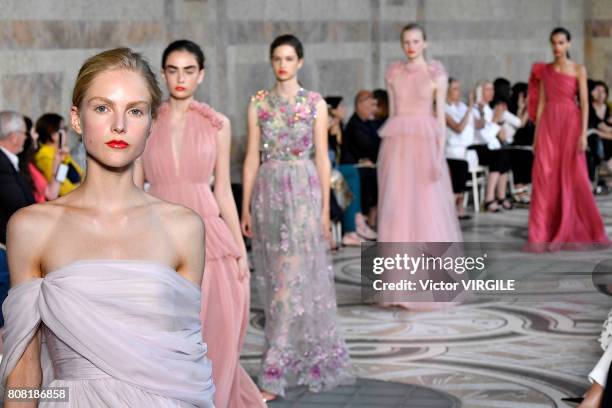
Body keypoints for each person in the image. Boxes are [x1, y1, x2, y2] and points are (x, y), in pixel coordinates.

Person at [0, 48, 215, 407]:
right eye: (102, 108)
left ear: (150, 124)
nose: (119, 125)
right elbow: (22, 373)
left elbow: (185, 369)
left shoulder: (184, 227)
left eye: (135, 110)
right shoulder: (31, 227)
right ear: (77, 119)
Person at [134, 39, 262, 408]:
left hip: (210, 234)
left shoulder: (217, 124)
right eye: (173, 70)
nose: (180, 78)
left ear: (201, 75)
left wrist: (240, 250)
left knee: (214, 332)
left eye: (189, 70)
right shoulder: (146, 120)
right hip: (158, 233)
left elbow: (223, 190)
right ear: (162, 74)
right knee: (166, 334)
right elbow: (135, 184)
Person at [242, 34, 354, 402]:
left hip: (304, 193)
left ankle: (273, 371)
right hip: (269, 193)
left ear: (300, 62)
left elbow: (323, 158)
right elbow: (251, 159)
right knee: (276, 278)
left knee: (287, 283)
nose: (282, 64)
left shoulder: (315, 104)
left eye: (289, 58)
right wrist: (245, 206)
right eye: (276, 58)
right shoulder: (258, 103)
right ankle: (304, 361)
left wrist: (324, 210)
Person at [526, 27, 609, 251]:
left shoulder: (578, 70)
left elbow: (583, 103)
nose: (557, 47)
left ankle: (580, 227)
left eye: (561, 43)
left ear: (569, 44)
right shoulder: (545, 71)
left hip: (571, 125)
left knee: (574, 177)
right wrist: (536, 137)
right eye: (554, 43)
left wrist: (583, 134)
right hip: (549, 126)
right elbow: (542, 104)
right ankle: (542, 232)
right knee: (545, 177)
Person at [378, 23, 461, 242]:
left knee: (427, 201)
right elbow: (393, 113)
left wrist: (438, 154)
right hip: (397, 145)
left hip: (425, 144)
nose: (411, 46)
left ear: (425, 43)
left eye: (415, 41)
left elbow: (441, 118)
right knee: (398, 203)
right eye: (406, 42)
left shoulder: (436, 74)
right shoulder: (394, 73)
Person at [0, 111, 34, 327]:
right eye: (24, 133)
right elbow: (20, 204)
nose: (27, 138)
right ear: (13, 136)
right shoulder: (2, 164)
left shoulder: (9, 162)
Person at [341, 90, 380, 226]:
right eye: (370, 105)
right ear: (359, 105)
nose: (373, 109)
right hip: (354, 165)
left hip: (366, 163)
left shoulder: (369, 124)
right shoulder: (354, 125)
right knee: (370, 175)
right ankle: (366, 217)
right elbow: (369, 148)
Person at [445, 77, 478, 219]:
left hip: (464, 151)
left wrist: (476, 110)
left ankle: (459, 206)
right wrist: (470, 108)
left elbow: (479, 124)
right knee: (460, 168)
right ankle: (452, 208)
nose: (458, 92)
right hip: (450, 152)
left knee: (464, 169)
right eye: (455, 89)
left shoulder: (461, 107)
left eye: (459, 88)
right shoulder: (442, 108)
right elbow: (458, 128)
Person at [34, 113, 84, 196]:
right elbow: (64, 190)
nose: (66, 133)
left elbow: (82, 174)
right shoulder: (45, 156)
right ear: (53, 134)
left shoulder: (59, 152)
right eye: (64, 129)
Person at [18, 117, 61, 203]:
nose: (37, 135)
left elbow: (52, 193)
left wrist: (60, 163)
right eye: (33, 132)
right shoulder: (25, 165)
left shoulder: (30, 163)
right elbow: (52, 194)